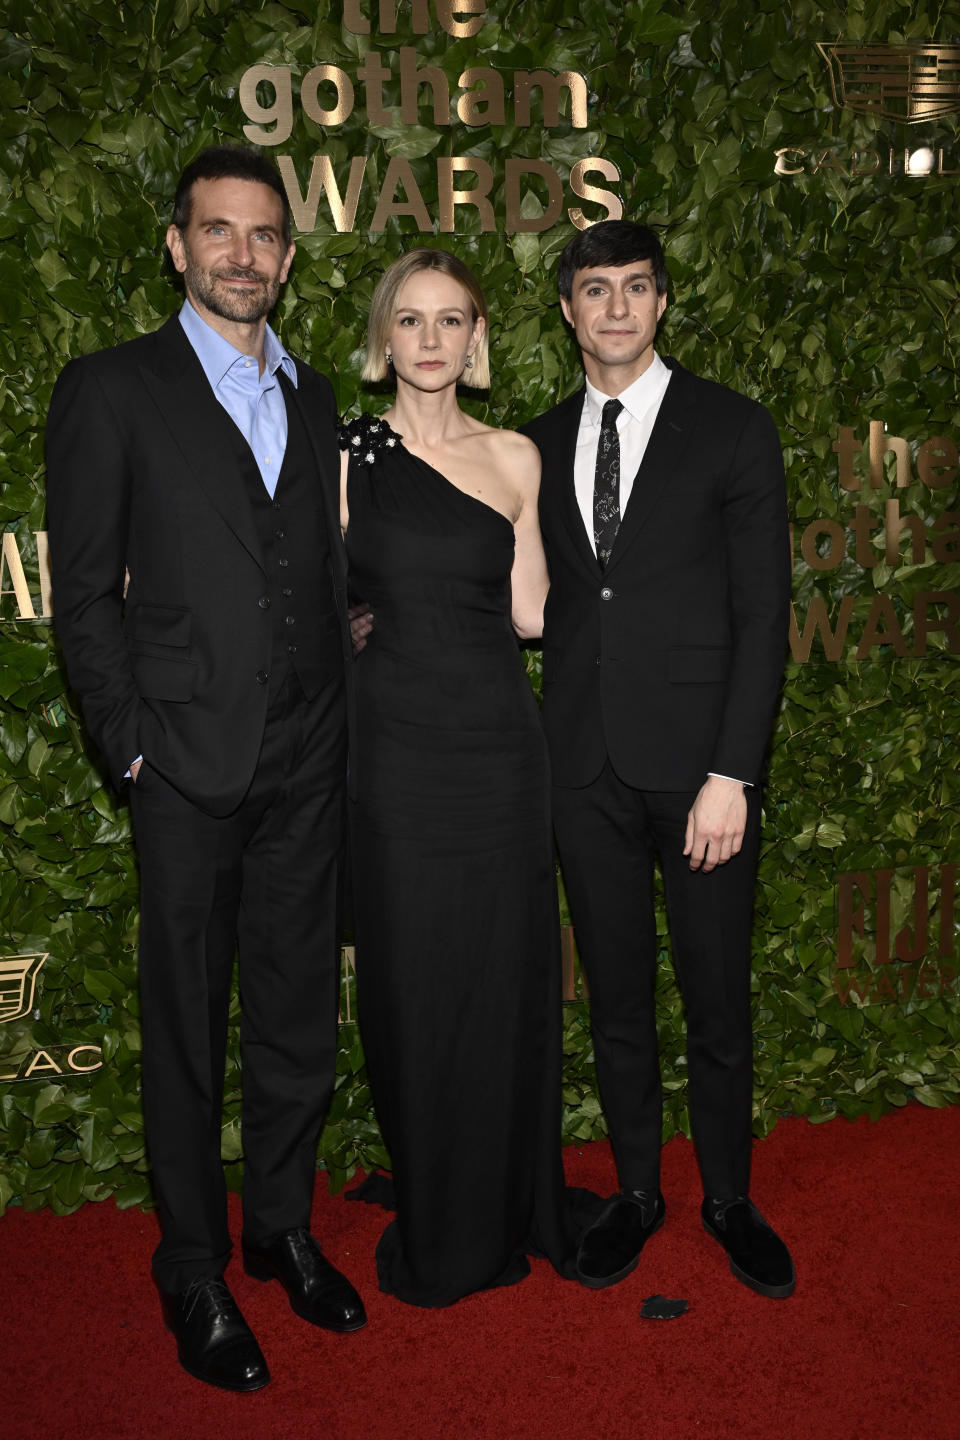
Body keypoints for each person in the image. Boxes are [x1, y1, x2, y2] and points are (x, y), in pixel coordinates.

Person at [45, 145, 365, 1394]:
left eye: (267, 236)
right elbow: (82, 602)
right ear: (177, 246)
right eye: (220, 232)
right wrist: (130, 746)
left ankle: (279, 1226)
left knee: (294, 1016)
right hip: (181, 763)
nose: (245, 254)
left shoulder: (321, 393)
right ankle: (192, 1266)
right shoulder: (112, 389)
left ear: (288, 256)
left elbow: (313, 571)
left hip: (308, 760)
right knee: (186, 1028)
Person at [520, 220, 795, 1298]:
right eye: (597, 290)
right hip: (581, 768)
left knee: (717, 1000)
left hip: (700, 779)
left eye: (637, 287)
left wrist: (734, 772)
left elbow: (763, 615)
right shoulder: (533, 444)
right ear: (569, 312)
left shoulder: (732, 429)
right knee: (621, 1000)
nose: (618, 307)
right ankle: (639, 1193)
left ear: (664, 302)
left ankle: (727, 1196)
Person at [340, 248, 582, 1306]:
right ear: (383, 338)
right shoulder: (343, 456)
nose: (431, 339)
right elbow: (303, 596)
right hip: (395, 754)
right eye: (411, 319)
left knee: (501, 979)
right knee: (410, 984)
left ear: (475, 337)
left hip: (499, 752)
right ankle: (439, 1215)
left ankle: (506, 1205)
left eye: (451, 320)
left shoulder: (517, 458)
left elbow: (533, 613)